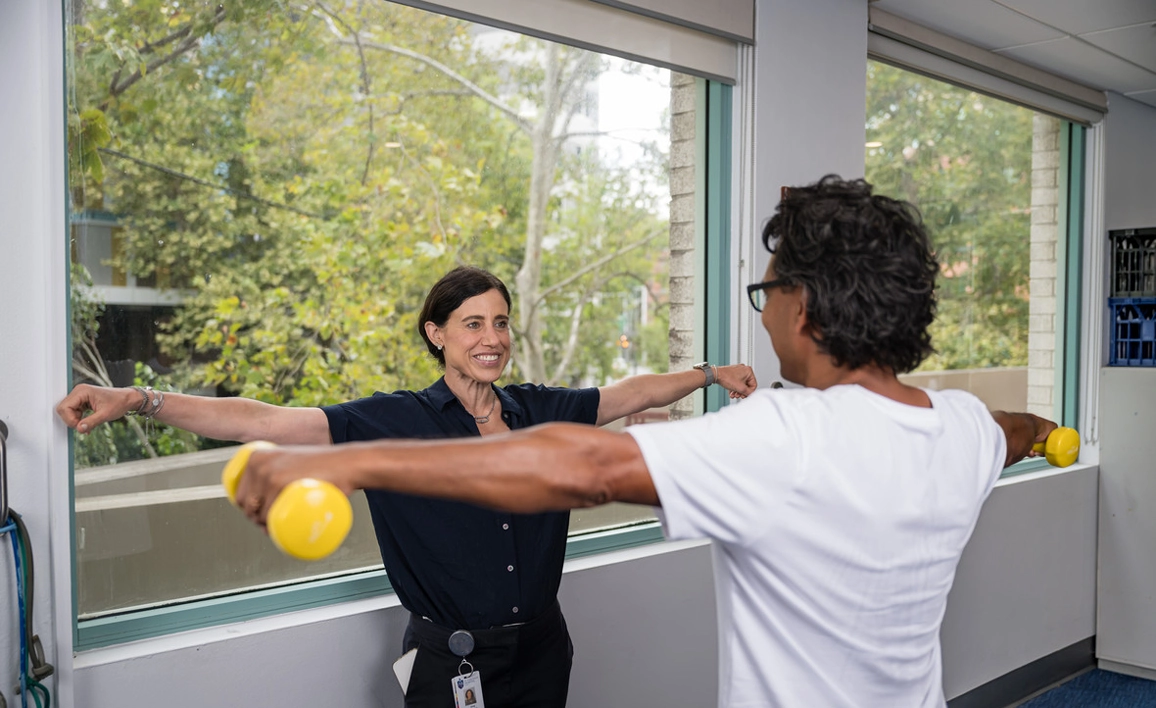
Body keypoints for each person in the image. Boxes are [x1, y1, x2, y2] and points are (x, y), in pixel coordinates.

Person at [225, 176, 1060, 708]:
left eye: (765, 291)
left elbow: (579, 464)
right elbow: (1015, 433)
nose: (760, 309)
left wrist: (343, 463)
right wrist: (1051, 430)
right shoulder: (957, 426)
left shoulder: (784, 434)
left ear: (802, 308)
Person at [56, 265, 757, 708]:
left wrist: (709, 374)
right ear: (437, 335)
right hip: (451, 662)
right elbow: (262, 419)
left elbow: (627, 393)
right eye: (472, 323)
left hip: (544, 647)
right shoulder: (394, 420)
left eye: (501, 322)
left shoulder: (539, 409)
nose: (492, 337)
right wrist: (140, 399)